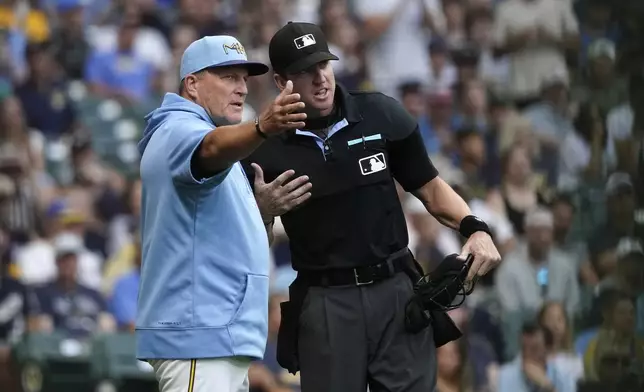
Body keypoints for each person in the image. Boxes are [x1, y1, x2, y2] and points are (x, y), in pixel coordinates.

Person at [243, 22, 502, 392]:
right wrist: (264, 211)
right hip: (326, 298)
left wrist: (475, 228)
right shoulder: (262, 147)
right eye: (304, 72)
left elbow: (430, 188)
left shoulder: (381, 113)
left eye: (324, 66)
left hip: (395, 291)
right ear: (281, 80)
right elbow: (250, 247)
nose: (320, 79)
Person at [136, 35, 312, 392]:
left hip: (218, 336)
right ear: (192, 84)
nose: (242, 88)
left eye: (244, 79)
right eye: (228, 76)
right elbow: (211, 148)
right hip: (196, 336)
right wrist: (263, 126)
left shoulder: (209, 141)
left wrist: (259, 211)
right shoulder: (178, 127)